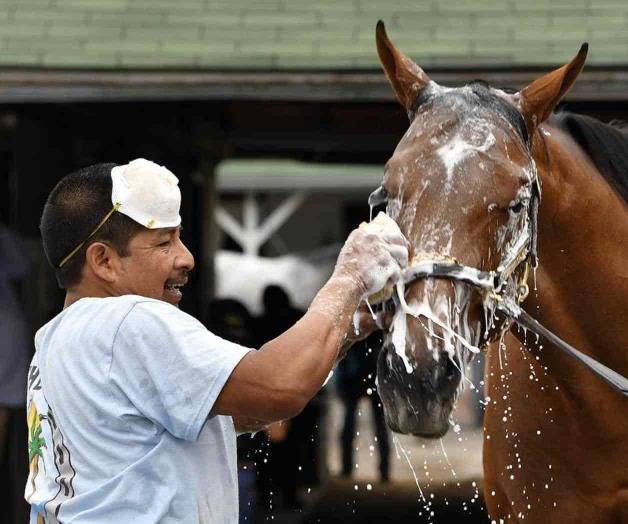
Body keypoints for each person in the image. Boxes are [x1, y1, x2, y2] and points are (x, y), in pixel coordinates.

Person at [25, 159, 408, 523]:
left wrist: (347, 328)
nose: (186, 257)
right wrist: (351, 275)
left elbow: (244, 409)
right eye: (164, 243)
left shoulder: (52, 343)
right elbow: (280, 387)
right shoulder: (129, 321)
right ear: (104, 261)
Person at [336, 331, 390, 482]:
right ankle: (383, 471)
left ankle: (348, 469)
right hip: (370, 373)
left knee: (351, 425)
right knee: (377, 425)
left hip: (357, 374)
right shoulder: (377, 313)